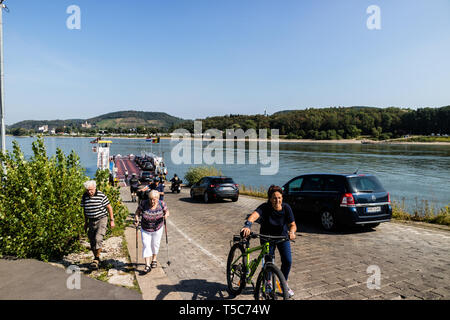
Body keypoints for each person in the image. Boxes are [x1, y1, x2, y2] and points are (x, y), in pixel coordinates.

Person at [241, 185, 297, 298]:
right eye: (274, 198)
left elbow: (293, 225)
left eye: (279, 197)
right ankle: (267, 282)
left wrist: (292, 232)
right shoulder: (265, 207)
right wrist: (248, 225)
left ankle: (283, 283)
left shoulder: (286, 208)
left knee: (287, 261)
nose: (277, 200)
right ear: (270, 199)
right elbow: (253, 216)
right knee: (269, 261)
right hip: (267, 237)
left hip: (282, 237)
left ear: (282, 198)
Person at [80, 180, 115, 269]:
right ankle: (97, 258)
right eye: (87, 190)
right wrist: (86, 222)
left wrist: (111, 220)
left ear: (95, 188)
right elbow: (85, 210)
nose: (89, 192)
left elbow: (109, 207)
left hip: (101, 219)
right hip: (91, 220)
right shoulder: (84, 197)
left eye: (91, 190)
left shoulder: (101, 195)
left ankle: (96, 259)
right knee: (92, 241)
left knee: (98, 238)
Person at [134, 190, 170, 274]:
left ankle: (154, 259)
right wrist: (136, 219)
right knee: (146, 245)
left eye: (154, 199)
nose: (152, 201)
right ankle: (147, 265)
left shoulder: (162, 204)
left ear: (158, 199)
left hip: (158, 228)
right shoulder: (143, 203)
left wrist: (166, 215)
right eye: (150, 199)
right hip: (145, 228)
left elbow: (167, 211)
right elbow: (137, 212)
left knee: (155, 244)